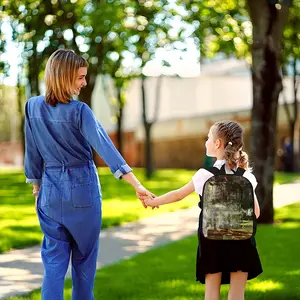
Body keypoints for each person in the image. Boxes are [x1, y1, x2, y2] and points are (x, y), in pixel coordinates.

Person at [24, 49, 154, 300]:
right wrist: (136, 184)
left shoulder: (32, 107)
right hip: (82, 191)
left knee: (53, 264)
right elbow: (106, 148)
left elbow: (32, 153)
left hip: (49, 193)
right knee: (83, 264)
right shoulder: (79, 111)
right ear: (64, 77)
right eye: (80, 77)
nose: (84, 83)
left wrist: (37, 189)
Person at [145, 120, 263, 300]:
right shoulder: (247, 176)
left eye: (208, 138)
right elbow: (256, 212)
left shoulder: (205, 175)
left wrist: (154, 202)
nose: (206, 142)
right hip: (241, 241)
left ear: (217, 144)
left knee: (211, 294)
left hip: (212, 242)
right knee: (237, 295)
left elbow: (178, 195)